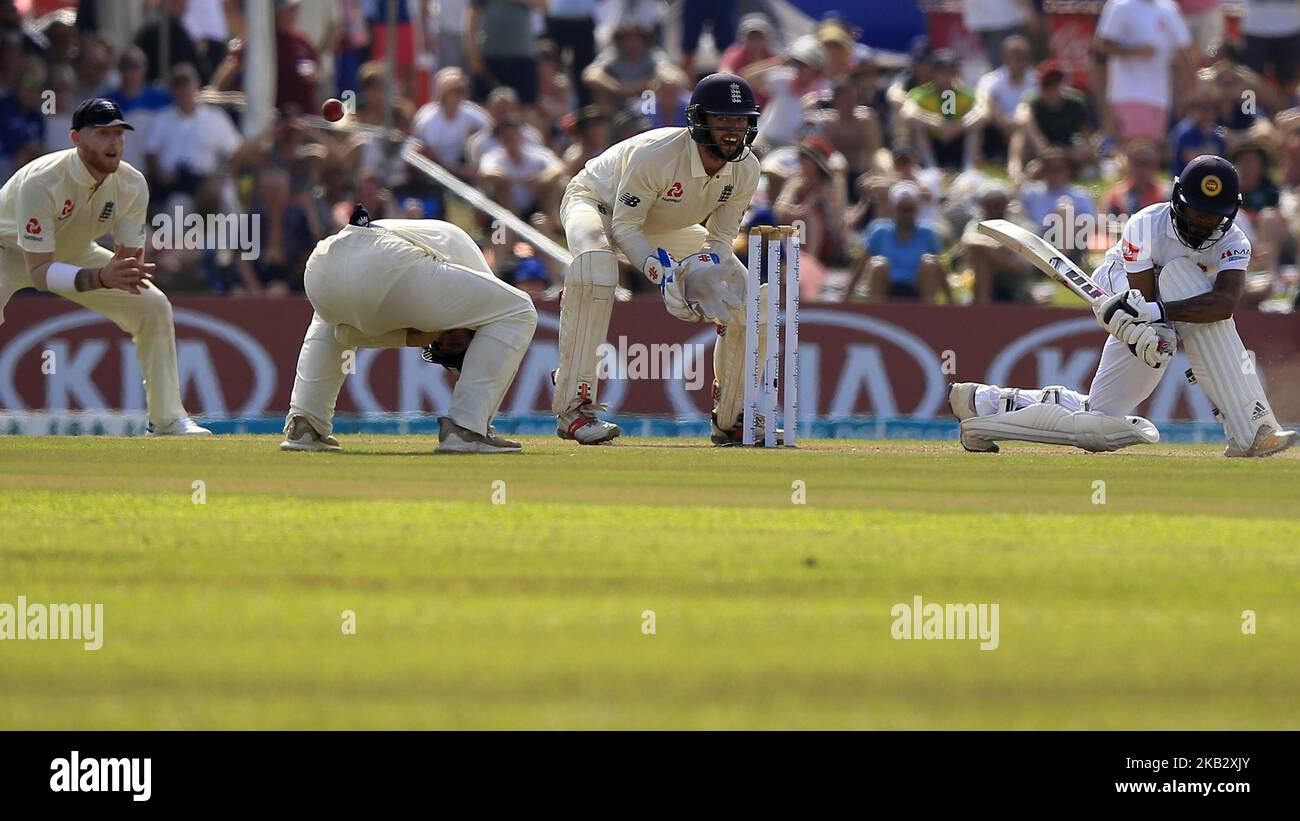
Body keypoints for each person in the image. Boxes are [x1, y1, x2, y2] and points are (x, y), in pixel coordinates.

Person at [950, 155, 1297, 458]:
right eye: (1197, 212)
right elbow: (1140, 297)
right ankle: (984, 423)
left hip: (1176, 309)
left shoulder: (1234, 240)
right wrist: (1141, 324)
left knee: (1097, 415)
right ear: (1178, 199)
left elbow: (1223, 304)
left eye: (1214, 216)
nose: (1204, 224)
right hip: (1121, 288)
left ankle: (983, 402)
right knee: (1106, 417)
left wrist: (1160, 317)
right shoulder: (1146, 224)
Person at [552, 73, 763, 445]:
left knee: (745, 295)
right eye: (723, 120)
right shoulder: (657, 155)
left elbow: (721, 238)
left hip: (664, 223)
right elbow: (625, 226)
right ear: (699, 121)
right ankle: (574, 407)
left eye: (741, 120)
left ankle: (732, 417)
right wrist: (666, 276)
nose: (733, 130)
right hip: (598, 203)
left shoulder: (746, 168)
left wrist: (706, 270)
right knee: (596, 269)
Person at [0, 98, 209, 435]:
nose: (114, 143)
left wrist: (124, 273)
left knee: (153, 306)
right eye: (102, 134)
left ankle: (168, 419)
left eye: (118, 134)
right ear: (75, 138)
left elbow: (127, 263)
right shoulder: (42, 181)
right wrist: (100, 277)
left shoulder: (131, 183)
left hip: (76, 252)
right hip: (8, 250)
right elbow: (40, 274)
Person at [281, 204, 538, 454]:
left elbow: (343, 333)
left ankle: (305, 425)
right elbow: (495, 310)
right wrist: (413, 338)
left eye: (442, 343)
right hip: (380, 257)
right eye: (457, 343)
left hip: (323, 267)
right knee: (519, 309)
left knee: (330, 317)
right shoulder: (462, 258)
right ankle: (467, 427)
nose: (444, 337)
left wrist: (410, 338)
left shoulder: (425, 300)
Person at [1093, 0, 1196, 142]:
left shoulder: (1169, 8)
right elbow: (1102, 45)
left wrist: (1191, 88)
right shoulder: (1120, 6)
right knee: (1136, 149)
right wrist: (1136, 51)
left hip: (1160, 97)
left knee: (1152, 150)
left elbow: (1184, 49)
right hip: (1130, 94)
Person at [850, 181, 950, 303]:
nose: (908, 214)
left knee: (930, 263)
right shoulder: (879, 231)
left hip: (917, 288)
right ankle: (875, 313)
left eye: (911, 209)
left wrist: (951, 299)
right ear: (893, 209)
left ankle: (927, 314)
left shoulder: (927, 233)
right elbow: (861, 265)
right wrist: (847, 295)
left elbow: (939, 267)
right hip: (887, 288)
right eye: (903, 210)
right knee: (878, 265)